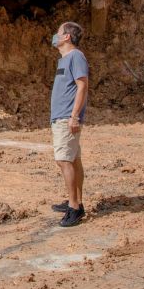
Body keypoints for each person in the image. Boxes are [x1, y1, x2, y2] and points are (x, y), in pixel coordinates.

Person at [49, 21, 89, 227]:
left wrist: (74, 116)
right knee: (72, 160)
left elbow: (82, 86)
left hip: (67, 117)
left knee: (64, 160)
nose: (55, 36)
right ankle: (76, 201)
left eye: (58, 33)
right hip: (62, 116)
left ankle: (74, 207)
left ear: (66, 37)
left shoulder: (76, 56)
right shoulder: (64, 59)